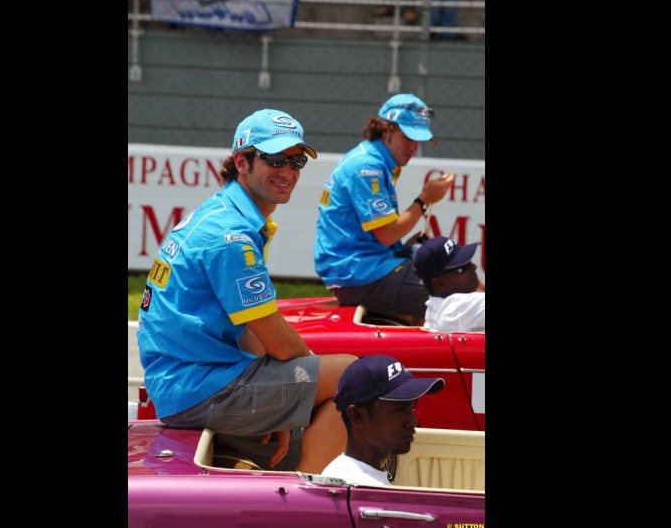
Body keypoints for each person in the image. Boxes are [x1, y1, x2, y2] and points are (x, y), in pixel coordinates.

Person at [137, 108, 357, 474]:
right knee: (358, 378)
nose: (287, 172)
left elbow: (251, 332)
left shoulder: (223, 215)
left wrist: (290, 395)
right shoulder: (231, 236)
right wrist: (299, 385)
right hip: (199, 386)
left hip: (191, 381)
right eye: (274, 159)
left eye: (296, 161)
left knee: (321, 397)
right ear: (242, 161)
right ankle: (308, 507)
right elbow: (282, 345)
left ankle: (265, 475)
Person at [313, 93, 455, 322]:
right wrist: (424, 200)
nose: (413, 147)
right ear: (385, 129)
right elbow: (387, 234)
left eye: (418, 140)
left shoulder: (372, 158)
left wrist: (403, 248)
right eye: (408, 137)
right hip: (362, 275)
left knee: (459, 272)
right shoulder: (367, 167)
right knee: (463, 292)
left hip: (363, 269)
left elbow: (379, 235)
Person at [321, 354, 445, 486]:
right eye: (400, 410)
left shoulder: (357, 478)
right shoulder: (356, 488)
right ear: (358, 416)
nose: (413, 421)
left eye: (412, 407)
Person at [412, 235, 485, 332]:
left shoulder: (439, 308)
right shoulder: (454, 309)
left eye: (469, 261)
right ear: (440, 284)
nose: (474, 267)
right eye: (462, 268)